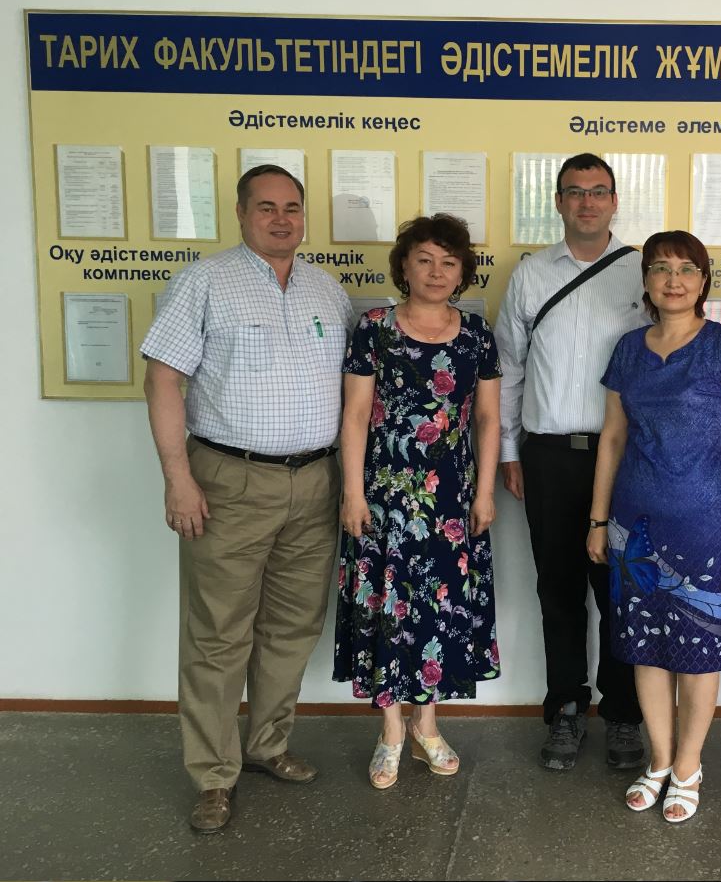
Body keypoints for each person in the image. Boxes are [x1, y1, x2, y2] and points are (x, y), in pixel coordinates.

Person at [141, 165, 354, 834]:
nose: (281, 218)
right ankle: (212, 773)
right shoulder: (204, 281)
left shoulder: (328, 288)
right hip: (229, 481)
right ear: (239, 213)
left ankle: (266, 745)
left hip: (316, 481)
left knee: (292, 626)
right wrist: (178, 477)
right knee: (217, 634)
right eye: (266, 207)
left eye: (292, 207)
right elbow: (163, 380)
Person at [586, 230, 721, 822]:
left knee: (698, 651)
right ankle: (658, 760)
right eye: (660, 268)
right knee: (646, 650)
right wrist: (597, 519)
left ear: (703, 279)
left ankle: (688, 766)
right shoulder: (628, 348)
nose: (673, 279)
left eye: (686, 268)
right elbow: (612, 439)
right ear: (644, 280)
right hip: (633, 526)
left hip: (707, 524)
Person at [334, 214, 501, 788]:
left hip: (450, 501)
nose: (436, 271)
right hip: (383, 496)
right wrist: (352, 493)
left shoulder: (478, 334)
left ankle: (427, 725)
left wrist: (484, 494)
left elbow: (486, 418)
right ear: (404, 265)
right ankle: (390, 731)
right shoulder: (373, 327)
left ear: (463, 273)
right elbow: (355, 416)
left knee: (439, 609)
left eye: (449, 262)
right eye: (424, 259)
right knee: (386, 604)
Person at [495, 153, 647, 771]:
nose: (587, 202)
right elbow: (507, 367)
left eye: (598, 192)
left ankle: (623, 715)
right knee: (557, 590)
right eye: (575, 192)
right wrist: (510, 450)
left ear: (615, 201)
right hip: (550, 457)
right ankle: (564, 709)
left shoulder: (644, 271)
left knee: (619, 591)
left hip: (627, 461)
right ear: (557, 202)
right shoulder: (531, 274)